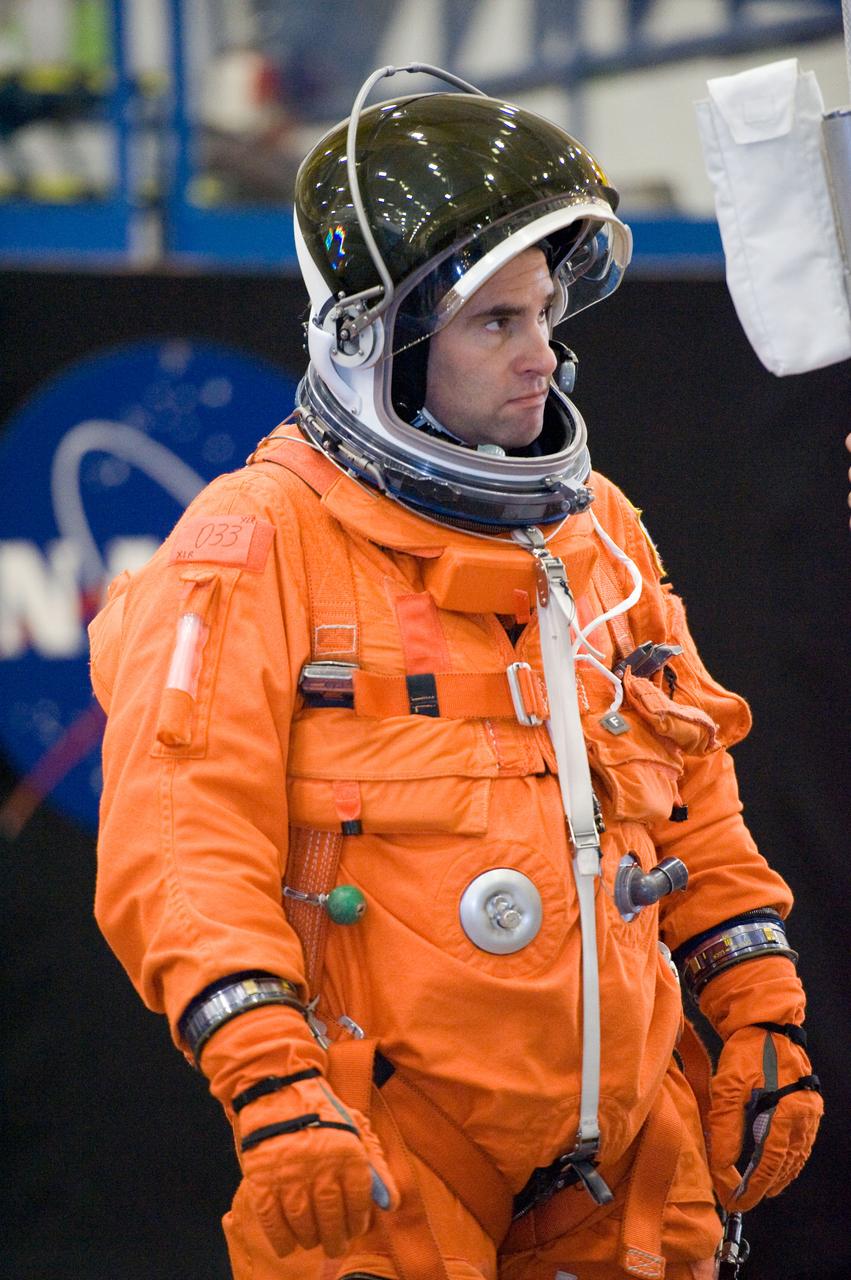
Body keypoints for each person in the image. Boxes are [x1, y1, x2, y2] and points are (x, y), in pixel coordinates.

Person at [90, 66, 823, 1280]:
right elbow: (180, 845)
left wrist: (757, 1005)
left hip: (629, 1157)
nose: (542, 355)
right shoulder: (259, 545)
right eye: (496, 322)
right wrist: (270, 1077)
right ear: (382, 340)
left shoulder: (600, 542)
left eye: (546, 316)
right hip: (387, 1150)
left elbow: (694, 791)